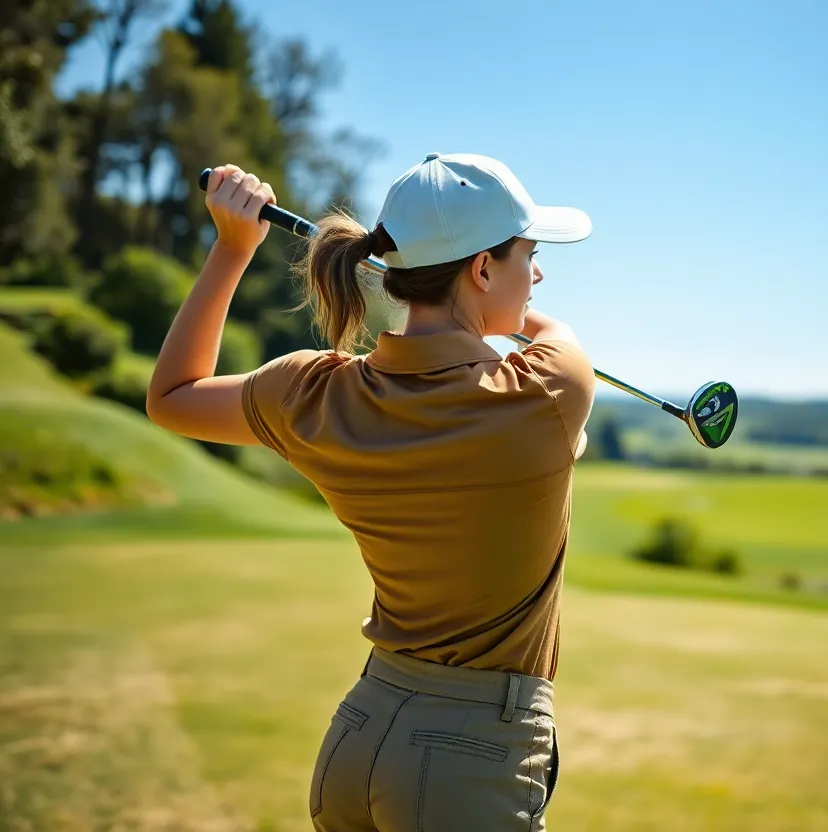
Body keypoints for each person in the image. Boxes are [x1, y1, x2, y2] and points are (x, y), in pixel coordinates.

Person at [146, 152, 597, 831]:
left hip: (361, 733)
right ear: (480, 267)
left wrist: (233, 250)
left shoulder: (315, 391)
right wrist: (483, 309)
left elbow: (173, 397)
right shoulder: (547, 390)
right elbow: (549, 331)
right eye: (526, 254)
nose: (536, 275)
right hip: (470, 761)